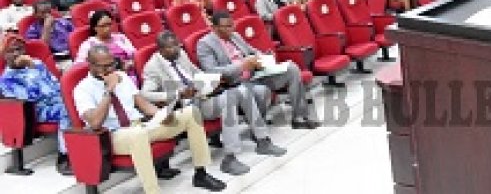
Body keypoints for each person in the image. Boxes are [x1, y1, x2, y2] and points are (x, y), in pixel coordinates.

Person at [73, 45, 226, 194]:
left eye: (111, 64)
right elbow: (94, 122)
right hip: (114, 135)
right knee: (137, 135)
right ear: (90, 64)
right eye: (103, 66)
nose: (109, 70)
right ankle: (152, 191)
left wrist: (162, 115)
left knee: (190, 113)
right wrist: (108, 90)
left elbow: (144, 105)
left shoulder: (123, 77)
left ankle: (201, 174)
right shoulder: (82, 89)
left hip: (141, 125)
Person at [140, 31, 285, 176]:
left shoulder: (180, 54)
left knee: (243, 91)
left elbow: (196, 72)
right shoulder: (152, 67)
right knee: (228, 101)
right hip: (187, 106)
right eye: (170, 48)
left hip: (203, 94)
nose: (176, 49)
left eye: (177, 45)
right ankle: (229, 158)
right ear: (160, 50)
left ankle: (263, 141)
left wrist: (214, 80)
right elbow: (146, 94)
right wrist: (178, 94)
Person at [197, 11, 319, 130]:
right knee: (262, 91)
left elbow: (252, 51)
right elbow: (211, 71)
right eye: (227, 27)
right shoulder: (205, 44)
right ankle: (257, 129)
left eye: (232, 25)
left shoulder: (235, 36)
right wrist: (242, 66)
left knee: (292, 69)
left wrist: (261, 57)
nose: (231, 29)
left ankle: (299, 117)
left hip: (256, 74)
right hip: (235, 83)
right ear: (214, 28)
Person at [0, 35, 72, 175]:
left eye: (19, 49)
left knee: (78, 103)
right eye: (11, 51)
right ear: (4, 55)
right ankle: (64, 157)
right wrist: (32, 69)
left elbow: (55, 84)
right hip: (36, 110)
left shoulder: (37, 63)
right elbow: (29, 99)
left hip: (55, 101)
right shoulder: (7, 79)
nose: (17, 54)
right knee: (67, 110)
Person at [75, 10, 137, 83]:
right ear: (95, 28)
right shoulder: (88, 44)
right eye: (103, 26)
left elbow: (135, 55)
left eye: (109, 24)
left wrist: (130, 64)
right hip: (103, 79)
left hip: (128, 74)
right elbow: (79, 66)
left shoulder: (121, 38)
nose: (107, 28)